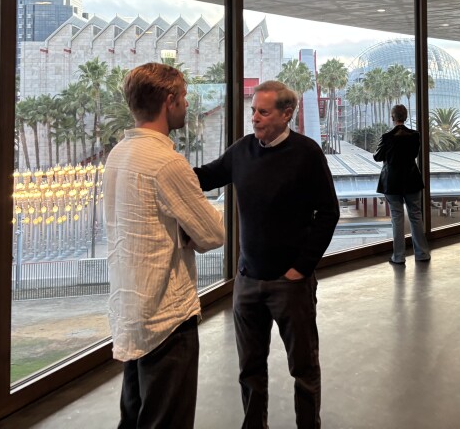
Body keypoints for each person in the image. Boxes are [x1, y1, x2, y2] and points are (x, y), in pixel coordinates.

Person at [195, 80, 340, 428]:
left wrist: (301, 268)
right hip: (247, 282)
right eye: (253, 111)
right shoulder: (242, 150)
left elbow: (329, 212)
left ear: (286, 114)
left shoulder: (307, 153)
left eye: (263, 111)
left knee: (303, 368)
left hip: (290, 284)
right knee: (250, 369)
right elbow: (206, 176)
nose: (255, 118)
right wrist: (164, 165)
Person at [104, 63, 225, 429]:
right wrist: (185, 230)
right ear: (169, 101)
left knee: (135, 416)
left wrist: (179, 228)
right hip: (167, 317)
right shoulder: (167, 162)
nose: (187, 105)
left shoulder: (118, 156)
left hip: (132, 312)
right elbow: (213, 233)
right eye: (185, 97)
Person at [374, 104, 431, 265]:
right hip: (412, 179)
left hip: (392, 182)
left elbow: (377, 157)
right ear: (405, 117)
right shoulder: (415, 135)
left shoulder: (387, 136)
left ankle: (398, 256)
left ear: (393, 117)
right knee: (416, 216)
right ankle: (422, 253)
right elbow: (414, 154)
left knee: (397, 218)